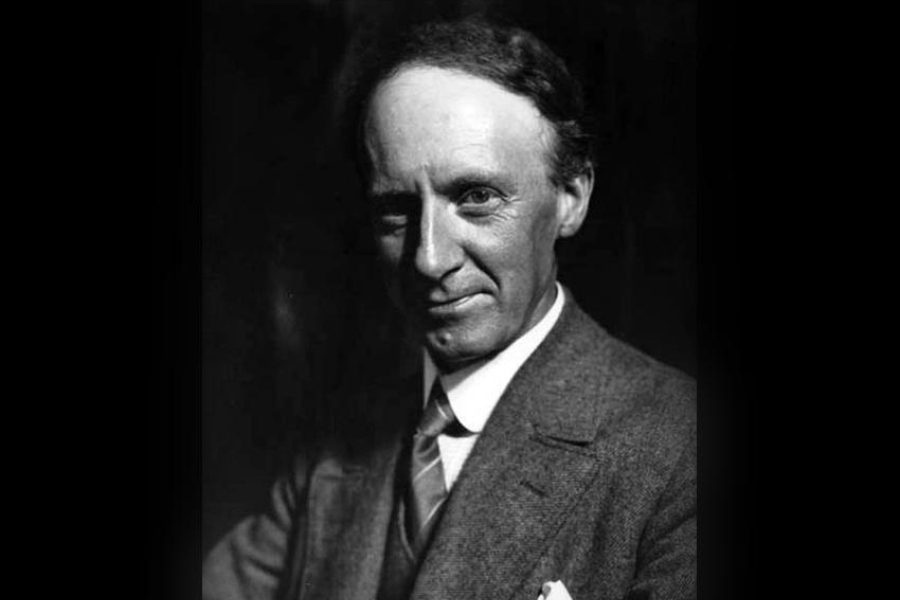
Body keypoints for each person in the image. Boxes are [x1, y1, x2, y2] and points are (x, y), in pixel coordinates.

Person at [203, 18, 696, 600]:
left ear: (571, 198)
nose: (429, 259)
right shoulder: (349, 426)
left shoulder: (680, 445)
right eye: (396, 210)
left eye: (477, 197)